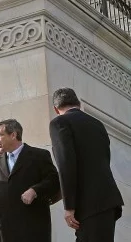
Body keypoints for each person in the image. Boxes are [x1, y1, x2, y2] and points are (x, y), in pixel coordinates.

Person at [49, 88, 123, 241]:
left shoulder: (59, 122)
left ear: (56, 109)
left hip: (89, 205)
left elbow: (65, 164)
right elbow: (104, 158)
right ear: (79, 104)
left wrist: (69, 206)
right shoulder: (97, 124)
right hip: (107, 202)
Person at [0, 119, 61, 242]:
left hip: (33, 228)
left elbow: (54, 180)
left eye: (0, 135)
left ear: (13, 135)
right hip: (5, 230)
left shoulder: (38, 155)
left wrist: (35, 190)